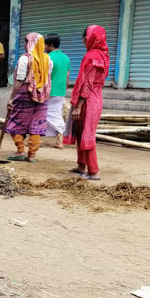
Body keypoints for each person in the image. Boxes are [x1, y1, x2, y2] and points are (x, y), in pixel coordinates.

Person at [64, 25, 110, 181]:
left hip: (88, 100)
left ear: (90, 38)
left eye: (84, 38)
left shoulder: (92, 56)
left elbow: (88, 83)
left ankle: (94, 171)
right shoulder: (103, 55)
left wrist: (78, 106)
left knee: (87, 134)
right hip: (95, 98)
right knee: (80, 131)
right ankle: (81, 165)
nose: (83, 41)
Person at [5, 33, 53, 163]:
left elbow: (19, 80)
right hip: (42, 95)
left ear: (31, 44)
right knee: (36, 124)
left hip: (25, 94)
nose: (25, 45)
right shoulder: (48, 59)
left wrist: (11, 98)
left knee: (16, 121)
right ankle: (32, 155)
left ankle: (20, 150)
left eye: (26, 42)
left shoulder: (25, 59)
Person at [44, 33, 70, 149]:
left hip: (49, 91)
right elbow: (67, 76)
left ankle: (32, 140)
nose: (44, 47)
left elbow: (44, 76)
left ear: (51, 45)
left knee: (42, 114)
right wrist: (65, 88)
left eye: (45, 45)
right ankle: (59, 140)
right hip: (60, 91)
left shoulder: (48, 58)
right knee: (56, 115)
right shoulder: (66, 58)